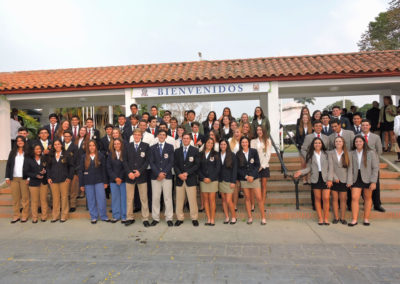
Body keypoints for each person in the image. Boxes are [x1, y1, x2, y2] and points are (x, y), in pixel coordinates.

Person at [294, 138, 332, 225]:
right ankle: (320, 218)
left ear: (322, 144)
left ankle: (326, 218)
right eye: (315, 143)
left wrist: (330, 179)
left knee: (326, 198)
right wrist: (300, 172)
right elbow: (309, 168)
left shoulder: (327, 154)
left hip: (325, 178)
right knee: (317, 199)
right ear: (313, 145)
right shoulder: (310, 155)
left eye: (319, 143)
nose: (317, 144)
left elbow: (331, 168)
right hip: (315, 178)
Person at [348, 136, 379, 226]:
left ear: (364, 142)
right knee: (354, 197)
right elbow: (350, 168)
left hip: (368, 178)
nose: (358, 143)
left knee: (367, 198)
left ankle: (366, 219)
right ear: (354, 143)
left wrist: (373, 181)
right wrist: (349, 181)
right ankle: (354, 219)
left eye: (360, 141)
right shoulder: (351, 153)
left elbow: (375, 168)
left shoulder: (371, 153)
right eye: (356, 141)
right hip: (355, 178)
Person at [123, 129, 151, 227]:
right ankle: (130, 217)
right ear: (133, 136)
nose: (137, 136)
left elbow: (147, 161)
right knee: (130, 199)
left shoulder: (146, 146)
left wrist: (140, 171)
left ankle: (145, 218)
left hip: (141, 176)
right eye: (135, 134)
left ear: (141, 136)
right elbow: (124, 161)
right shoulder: (127, 146)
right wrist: (129, 172)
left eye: (139, 135)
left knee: (144, 198)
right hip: (130, 176)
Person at [237, 136, 266, 225]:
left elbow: (257, 165)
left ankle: (263, 217)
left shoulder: (253, 151)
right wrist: (246, 176)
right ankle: (250, 217)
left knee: (259, 198)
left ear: (248, 143)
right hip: (244, 179)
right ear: (241, 144)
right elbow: (238, 168)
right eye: (243, 142)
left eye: (246, 142)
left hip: (254, 178)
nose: (244, 144)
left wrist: (252, 176)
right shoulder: (238, 154)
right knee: (247, 198)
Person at [149, 130, 175, 227]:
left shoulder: (170, 147)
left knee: (168, 198)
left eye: (164, 135)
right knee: (155, 198)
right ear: (157, 136)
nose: (162, 136)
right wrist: (158, 173)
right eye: (160, 134)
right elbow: (151, 162)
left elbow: (171, 162)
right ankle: (155, 218)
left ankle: (169, 218)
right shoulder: (152, 148)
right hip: (155, 177)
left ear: (166, 136)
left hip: (167, 176)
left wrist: (163, 173)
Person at [174, 133, 200, 227]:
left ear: (190, 140)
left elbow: (197, 165)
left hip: (190, 179)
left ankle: (194, 218)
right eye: (184, 138)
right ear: (182, 140)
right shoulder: (177, 151)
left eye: (187, 138)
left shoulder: (195, 150)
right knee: (179, 200)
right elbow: (175, 164)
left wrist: (187, 173)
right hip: (180, 179)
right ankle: (179, 218)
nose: (185, 140)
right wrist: (180, 174)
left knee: (192, 200)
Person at [360, 119, 385, 212]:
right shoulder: (357, 136)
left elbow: (379, 151)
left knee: (375, 185)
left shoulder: (376, 137)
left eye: (366, 125)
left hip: (373, 166)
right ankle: (366, 202)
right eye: (363, 125)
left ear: (370, 126)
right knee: (363, 186)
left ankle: (377, 204)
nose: (365, 127)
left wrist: (372, 160)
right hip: (361, 166)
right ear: (361, 126)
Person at [47, 139, 74, 223]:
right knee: (55, 198)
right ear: (53, 146)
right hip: (53, 180)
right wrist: (48, 177)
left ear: (61, 145)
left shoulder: (67, 154)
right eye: (55, 144)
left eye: (58, 144)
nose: (57, 146)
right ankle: (55, 216)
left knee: (64, 197)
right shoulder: (51, 155)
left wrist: (69, 177)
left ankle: (64, 216)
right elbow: (48, 167)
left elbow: (71, 167)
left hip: (64, 180)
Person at [5, 135, 30, 223]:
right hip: (14, 178)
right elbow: (8, 165)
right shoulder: (12, 152)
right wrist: (7, 177)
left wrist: (29, 177)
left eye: (21, 140)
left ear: (24, 141)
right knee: (15, 198)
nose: (20, 142)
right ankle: (16, 216)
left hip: (24, 178)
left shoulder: (28, 152)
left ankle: (24, 215)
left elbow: (31, 166)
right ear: (16, 142)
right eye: (18, 141)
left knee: (25, 198)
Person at [328, 136, 352, 225]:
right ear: (334, 143)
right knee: (334, 199)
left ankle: (342, 218)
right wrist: (334, 177)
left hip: (344, 179)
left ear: (343, 143)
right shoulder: (330, 153)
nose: (338, 143)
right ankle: (336, 217)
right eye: (336, 141)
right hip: (334, 179)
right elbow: (330, 167)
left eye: (340, 141)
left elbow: (350, 169)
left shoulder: (348, 154)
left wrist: (349, 181)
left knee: (343, 200)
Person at [24, 144, 49, 223]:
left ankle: (44, 216)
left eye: (39, 149)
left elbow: (48, 168)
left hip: (43, 182)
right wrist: (36, 175)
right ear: (33, 150)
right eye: (36, 149)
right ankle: (35, 217)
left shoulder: (44, 158)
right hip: (33, 183)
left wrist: (45, 171)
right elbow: (26, 171)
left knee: (43, 200)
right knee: (34, 201)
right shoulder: (28, 159)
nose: (38, 150)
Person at [198, 138, 221, 226]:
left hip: (213, 180)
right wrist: (203, 177)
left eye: (212, 143)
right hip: (203, 180)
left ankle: (212, 219)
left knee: (212, 200)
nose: (210, 144)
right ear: (205, 143)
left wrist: (210, 178)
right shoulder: (200, 154)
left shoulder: (216, 154)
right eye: (208, 142)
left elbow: (217, 168)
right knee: (206, 200)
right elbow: (198, 167)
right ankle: (208, 218)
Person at [251, 125, 271, 214]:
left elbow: (268, 155)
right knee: (254, 186)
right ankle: (252, 204)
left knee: (263, 185)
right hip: (255, 166)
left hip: (264, 166)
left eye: (260, 129)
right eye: (257, 129)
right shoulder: (252, 141)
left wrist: (262, 166)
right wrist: (255, 166)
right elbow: (251, 155)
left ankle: (262, 203)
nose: (259, 131)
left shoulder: (267, 141)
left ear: (263, 131)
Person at [107, 138, 127, 223]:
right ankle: (116, 216)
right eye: (115, 144)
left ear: (121, 144)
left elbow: (126, 167)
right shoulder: (110, 155)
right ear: (113, 145)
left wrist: (120, 178)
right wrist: (115, 178)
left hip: (123, 180)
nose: (116, 145)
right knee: (115, 198)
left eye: (118, 143)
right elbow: (108, 168)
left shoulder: (125, 154)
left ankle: (124, 216)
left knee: (123, 198)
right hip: (113, 180)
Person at [219, 139, 237, 224]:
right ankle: (227, 217)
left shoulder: (232, 155)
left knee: (229, 200)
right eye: (221, 144)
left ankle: (234, 217)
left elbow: (234, 170)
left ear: (227, 145)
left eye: (224, 144)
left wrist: (233, 181)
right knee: (223, 200)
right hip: (221, 181)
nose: (223, 146)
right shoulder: (217, 155)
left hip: (229, 181)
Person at [63, 130, 79, 212]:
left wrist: (76, 173)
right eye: (65, 136)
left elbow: (77, 160)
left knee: (73, 190)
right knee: (65, 191)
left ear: (71, 137)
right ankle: (65, 205)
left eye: (68, 136)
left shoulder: (75, 147)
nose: (66, 138)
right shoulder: (60, 145)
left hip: (73, 171)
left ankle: (72, 205)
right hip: (62, 172)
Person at [228, 129, 243, 211]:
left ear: (241, 133)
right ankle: (232, 203)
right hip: (232, 165)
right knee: (234, 185)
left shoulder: (243, 141)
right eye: (235, 132)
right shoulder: (230, 140)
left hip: (241, 165)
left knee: (237, 184)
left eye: (238, 132)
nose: (236, 134)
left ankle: (235, 204)